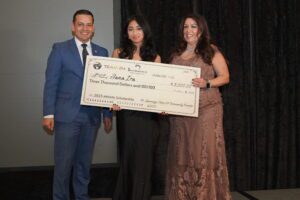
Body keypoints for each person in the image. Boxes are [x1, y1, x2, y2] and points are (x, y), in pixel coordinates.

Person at [42, 9, 112, 200]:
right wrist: (48, 113)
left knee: (83, 165)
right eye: (80, 24)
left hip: (91, 118)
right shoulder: (60, 49)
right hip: (66, 117)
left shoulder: (102, 52)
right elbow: (51, 83)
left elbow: (105, 87)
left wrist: (106, 114)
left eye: (89, 24)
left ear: (93, 28)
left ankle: (82, 196)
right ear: (73, 27)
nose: (85, 28)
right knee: (63, 166)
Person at [165, 13, 231, 200]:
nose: (189, 31)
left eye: (193, 26)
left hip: (207, 111)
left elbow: (225, 77)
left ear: (201, 30)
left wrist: (207, 83)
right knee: (182, 154)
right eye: (185, 27)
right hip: (181, 114)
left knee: (204, 155)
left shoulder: (211, 51)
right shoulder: (176, 55)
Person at [111, 15, 161, 200]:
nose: (135, 32)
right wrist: (112, 100)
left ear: (145, 30)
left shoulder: (155, 57)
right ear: (126, 33)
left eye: (138, 28)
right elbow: (111, 83)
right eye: (130, 29)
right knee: (128, 157)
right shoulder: (118, 53)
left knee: (144, 160)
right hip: (127, 115)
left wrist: (162, 104)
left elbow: (158, 89)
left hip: (148, 117)